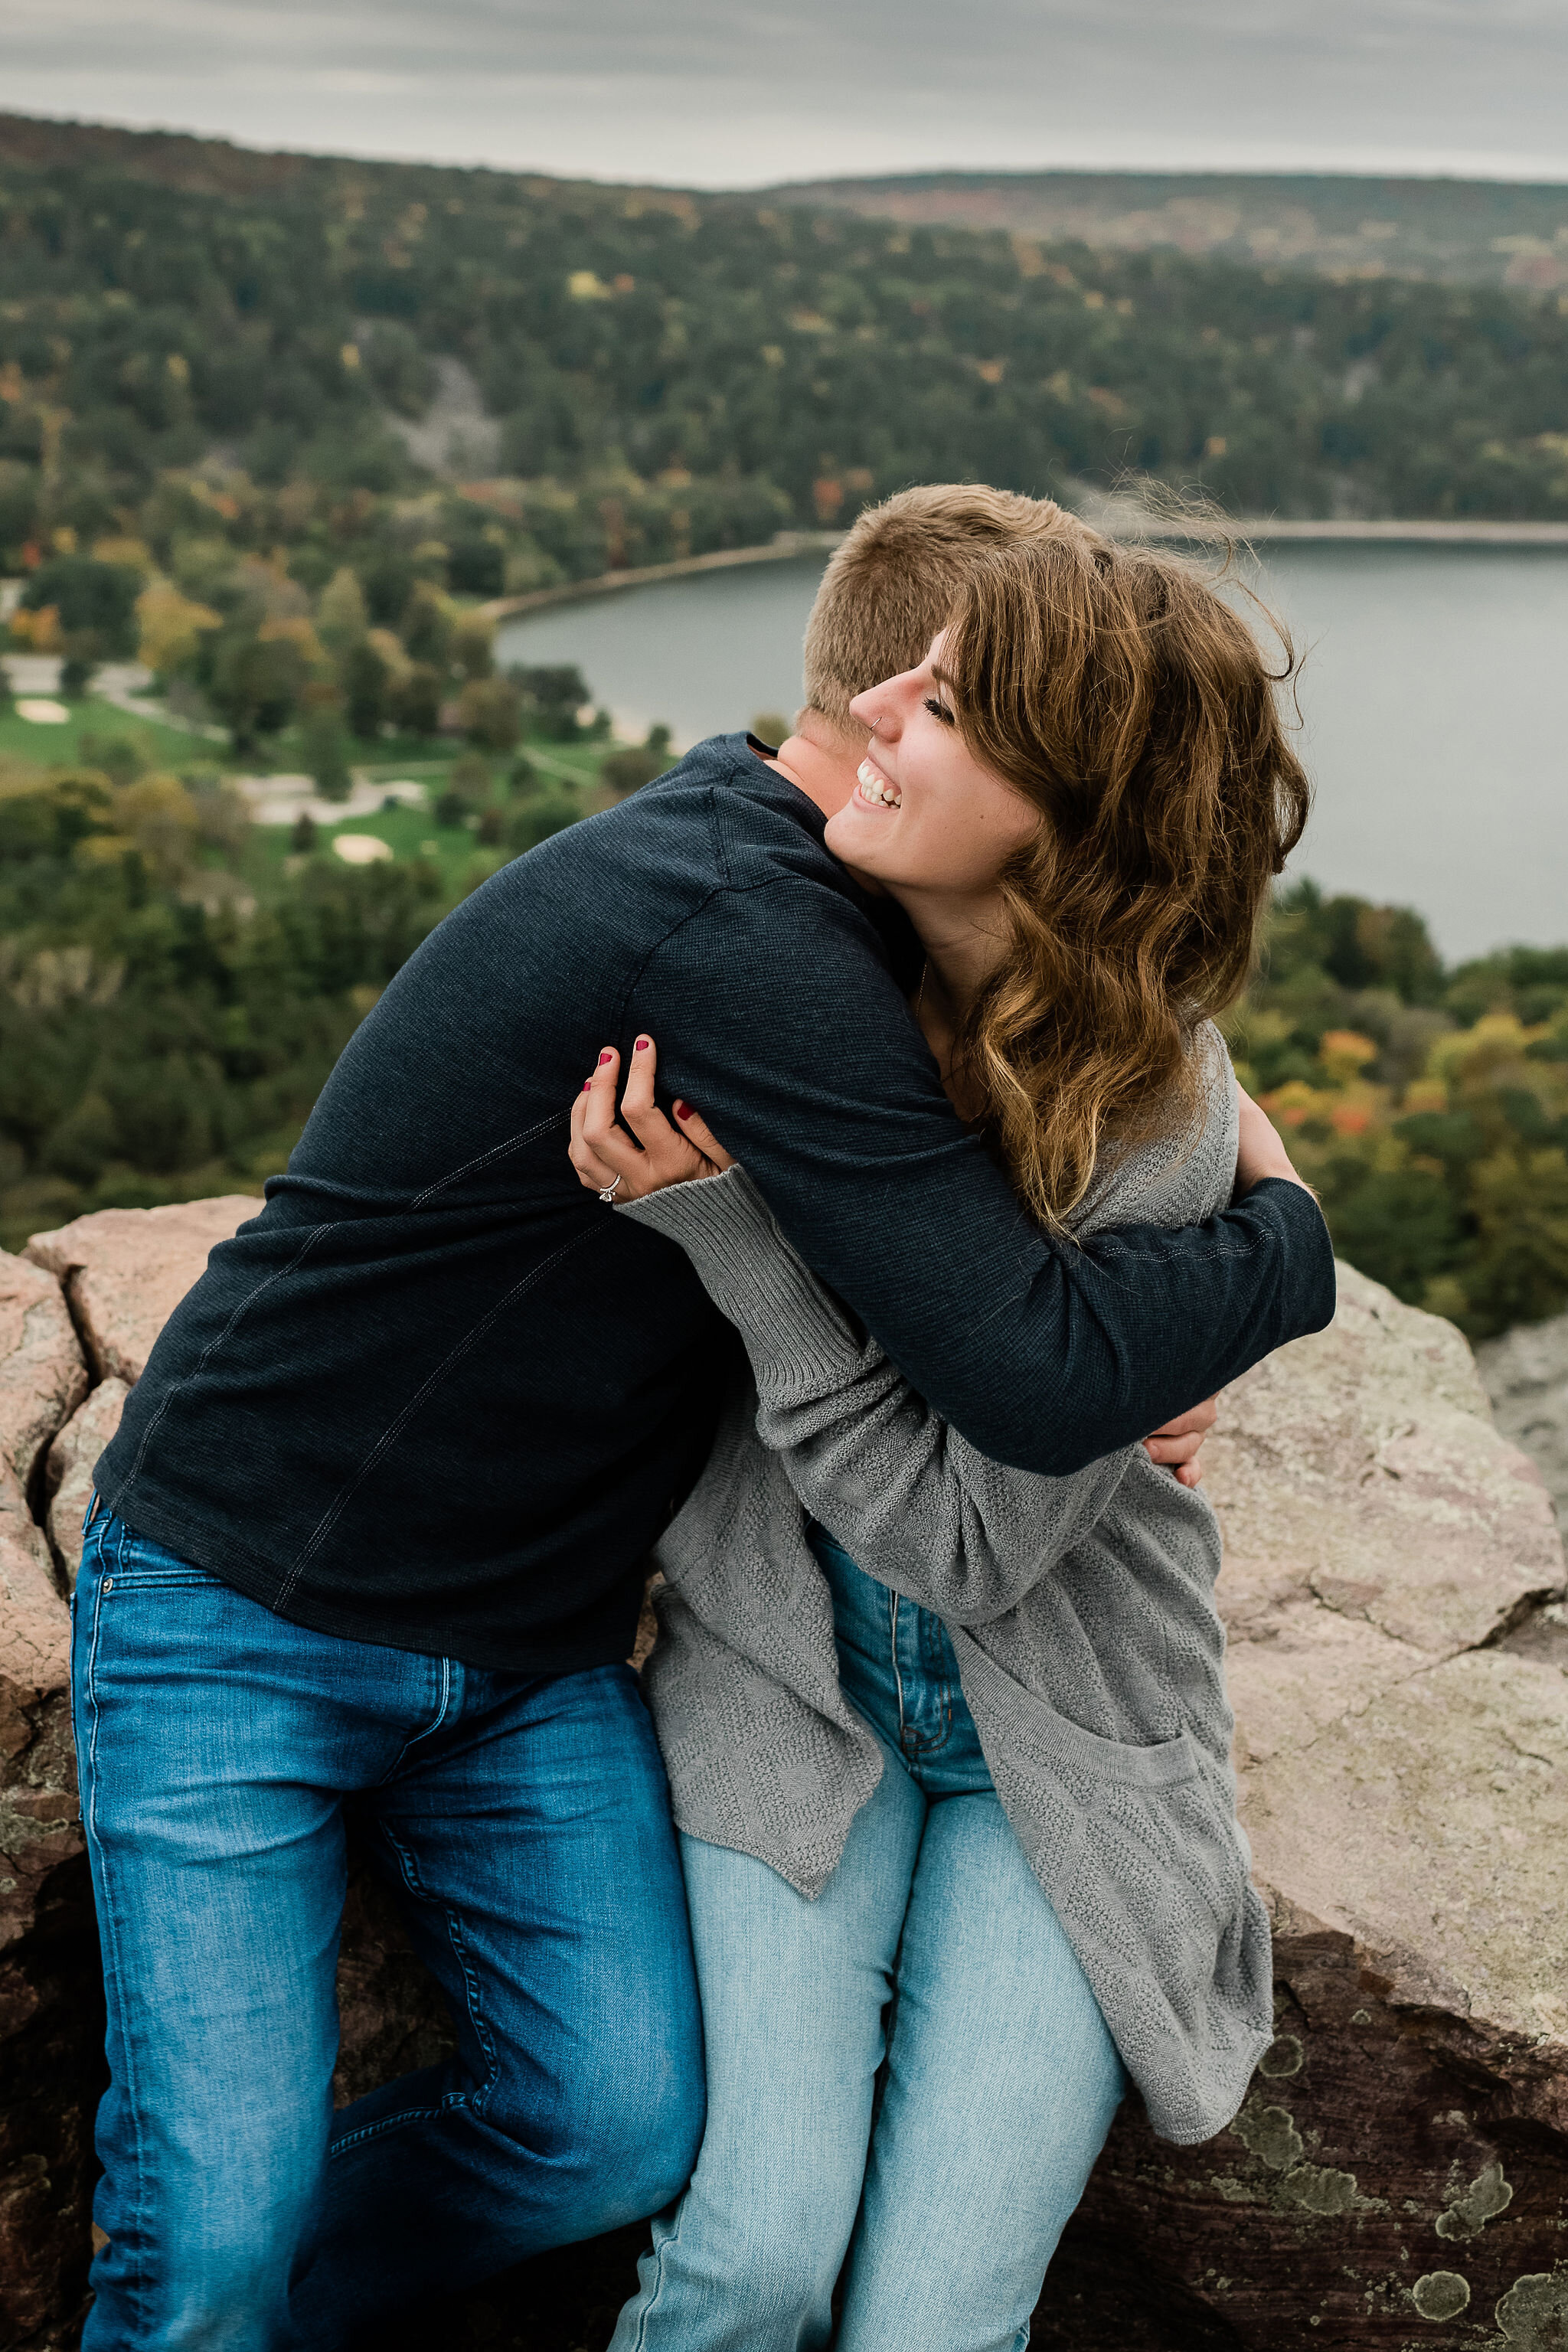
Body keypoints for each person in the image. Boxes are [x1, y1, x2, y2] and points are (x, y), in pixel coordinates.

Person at [74, 488, 1332, 2349]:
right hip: (247, 1603)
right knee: (218, 2225)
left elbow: (1033, 1319)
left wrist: (1188, 1276)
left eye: (954, 704)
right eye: (913, 687)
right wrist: (1285, 1250)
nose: (907, 714)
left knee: (607, 2134)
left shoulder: (874, 935)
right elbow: (1033, 1366)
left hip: (540, 1643)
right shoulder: (753, 931)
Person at [567, 520, 1321, 2350]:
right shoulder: (801, 967)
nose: (869, 712)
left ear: (1070, 807)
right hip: (783, 1683)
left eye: (948, 704)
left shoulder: (1151, 1123)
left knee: (929, 2324)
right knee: (748, 2264)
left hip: (1051, 1738)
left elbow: (962, 1549)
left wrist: (737, 1246)